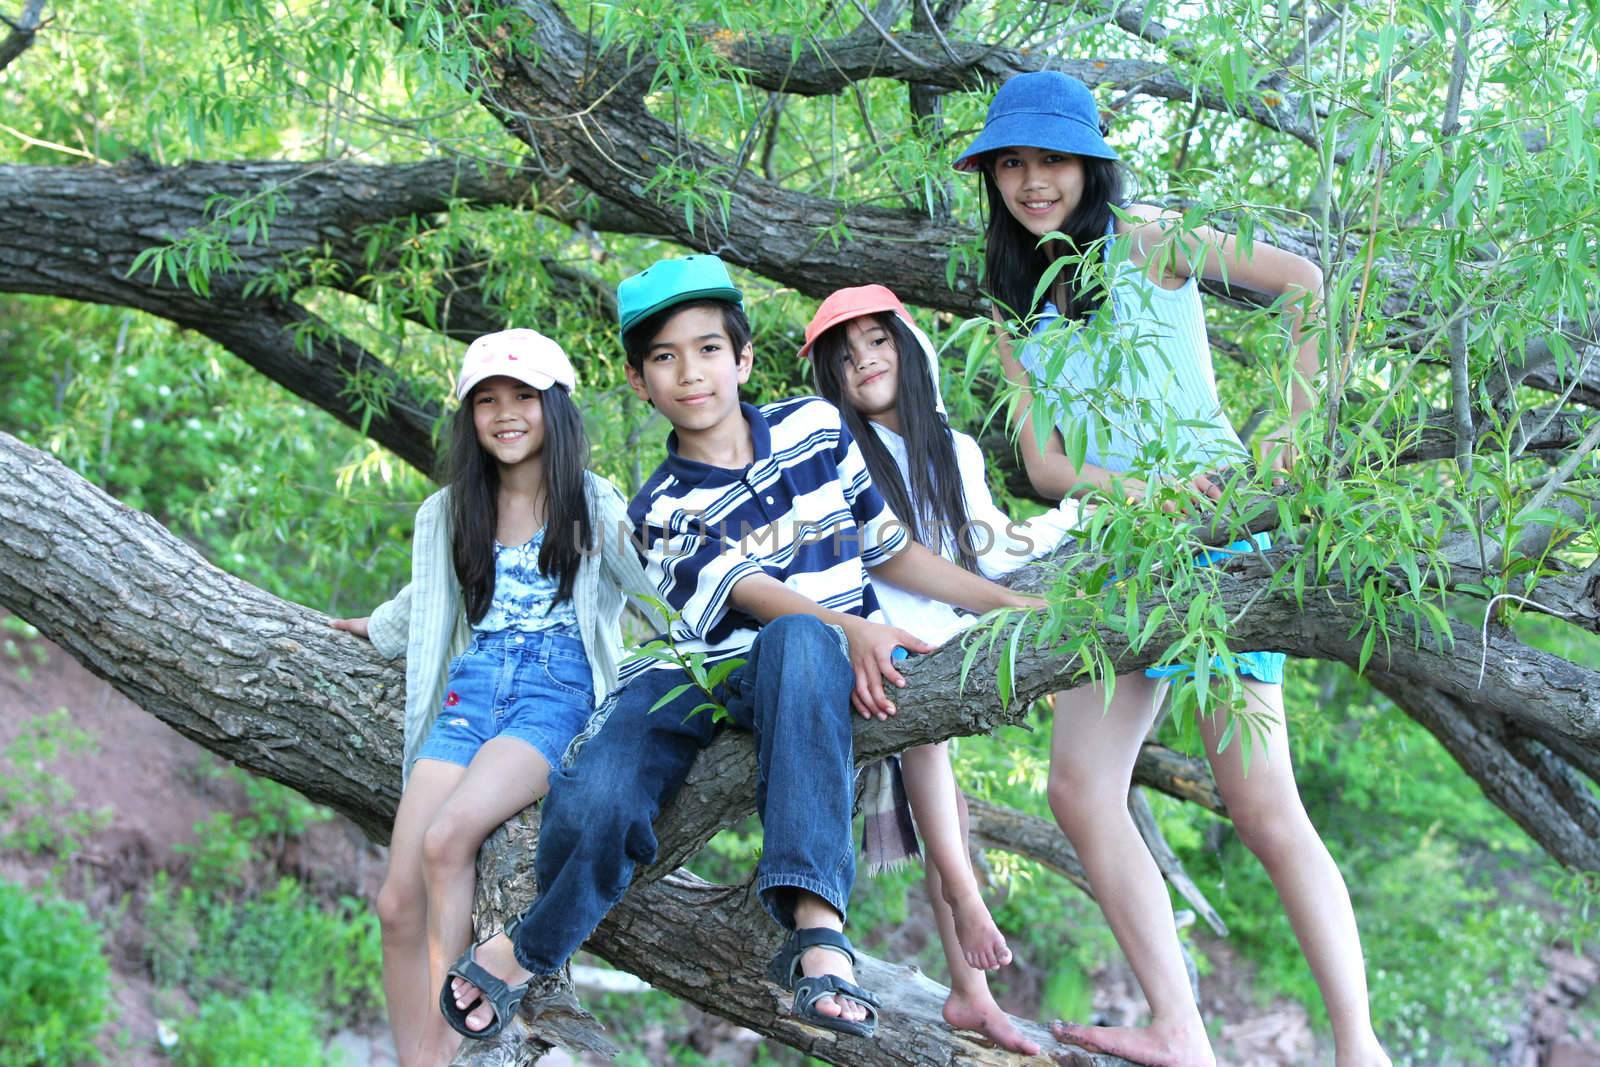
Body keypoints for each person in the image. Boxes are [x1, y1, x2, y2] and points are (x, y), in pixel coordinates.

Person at [442, 254, 1042, 1042]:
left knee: (801, 639)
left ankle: (818, 924)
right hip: (702, 671)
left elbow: (890, 552)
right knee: (599, 787)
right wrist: (853, 625)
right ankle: (529, 945)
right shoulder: (659, 505)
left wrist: (1008, 602)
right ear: (638, 380)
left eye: (708, 348)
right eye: (664, 357)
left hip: (802, 670)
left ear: (744, 358)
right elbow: (745, 592)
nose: (690, 372)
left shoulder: (818, 429)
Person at [956, 71, 1390, 1067]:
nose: (1032, 182)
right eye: (1012, 164)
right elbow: (1046, 465)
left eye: (1051, 160)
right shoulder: (1007, 301)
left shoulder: (1148, 236)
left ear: (1089, 165)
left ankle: (1359, 1045)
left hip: (1220, 541)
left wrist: (1285, 440)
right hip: (1116, 552)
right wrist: (1138, 494)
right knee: (1077, 787)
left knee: (1263, 803)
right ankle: (1179, 1024)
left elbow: (1307, 284)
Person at [330, 329, 654, 1064]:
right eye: (487, 399)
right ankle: (421, 1058)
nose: (506, 413)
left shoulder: (586, 503)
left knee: (450, 840)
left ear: (554, 408)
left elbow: (658, 591)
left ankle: (454, 1044)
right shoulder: (452, 509)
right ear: (470, 415)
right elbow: (426, 596)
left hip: (555, 691)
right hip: (473, 690)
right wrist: (372, 627)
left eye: (523, 397)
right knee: (394, 902)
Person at [803, 283, 1084, 1055]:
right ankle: (963, 898)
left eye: (878, 341)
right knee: (927, 744)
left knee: (946, 808)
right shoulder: (836, 448)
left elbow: (989, 544)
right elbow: (872, 558)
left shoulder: (951, 449)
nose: (864, 360)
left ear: (908, 348)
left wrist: (1079, 521)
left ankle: (970, 992)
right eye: (845, 353)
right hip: (869, 635)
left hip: (938, 633)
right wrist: (993, 605)